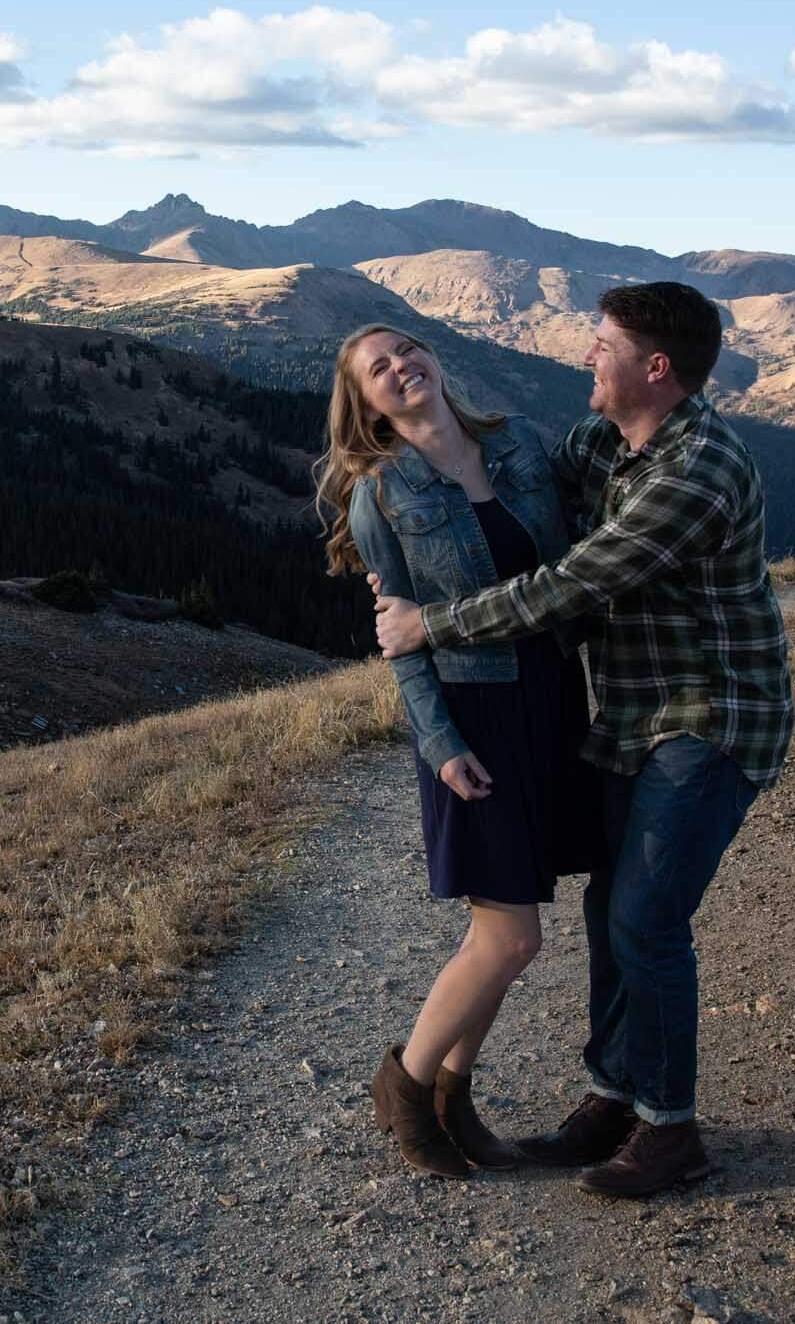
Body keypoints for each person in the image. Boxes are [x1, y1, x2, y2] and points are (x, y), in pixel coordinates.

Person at [372, 281, 793, 1199]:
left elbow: (567, 584)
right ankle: (614, 1097)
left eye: (600, 344)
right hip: (631, 716)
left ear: (655, 368)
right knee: (611, 909)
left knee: (646, 915)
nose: (584, 357)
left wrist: (427, 622)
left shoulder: (697, 471)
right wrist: (395, 484)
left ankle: (671, 1130)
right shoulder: (608, 440)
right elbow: (510, 480)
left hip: (712, 714)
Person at [315, 321, 601, 1180]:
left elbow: (577, 548)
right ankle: (404, 1086)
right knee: (510, 939)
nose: (402, 368)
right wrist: (438, 742)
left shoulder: (515, 444)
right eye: (380, 369)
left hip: (550, 696)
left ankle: (453, 1094)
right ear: (364, 402)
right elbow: (401, 638)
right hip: (472, 716)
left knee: (509, 931)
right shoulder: (381, 492)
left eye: (408, 352)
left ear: (434, 361)